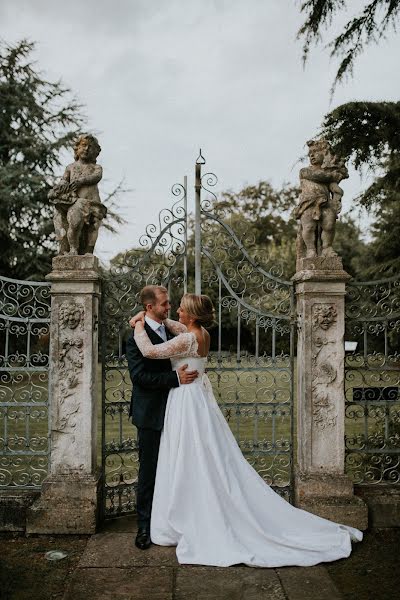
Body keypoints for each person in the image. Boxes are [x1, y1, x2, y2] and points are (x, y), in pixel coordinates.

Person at [130, 293, 363, 567]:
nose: (176, 310)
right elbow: (173, 325)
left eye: (181, 308)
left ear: (191, 315)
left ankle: (189, 510)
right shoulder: (199, 332)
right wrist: (145, 317)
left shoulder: (187, 338)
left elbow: (149, 351)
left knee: (188, 454)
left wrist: (137, 325)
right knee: (201, 453)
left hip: (185, 398)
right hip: (197, 397)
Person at [126, 285, 199, 550]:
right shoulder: (135, 335)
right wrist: (174, 378)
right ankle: (144, 526)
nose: (169, 308)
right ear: (150, 307)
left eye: (169, 304)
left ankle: (176, 519)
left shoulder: (172, 329)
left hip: (179, 409)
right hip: (151, 413)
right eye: (165, 304)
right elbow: (139, 377)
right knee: (149, 470)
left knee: (178, 467)